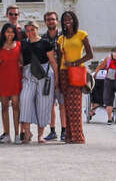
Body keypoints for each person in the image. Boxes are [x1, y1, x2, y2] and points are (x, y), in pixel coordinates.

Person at [19, 20, 58, 143]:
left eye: (32, 29)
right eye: (28, 30)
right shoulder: (23, 44)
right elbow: (20, 61)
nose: (30, 32)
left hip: (44, 75)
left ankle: (40, 135)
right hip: (28, 75)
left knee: (43, 104)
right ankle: (28, 132)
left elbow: (52, 62)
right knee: (24, 100)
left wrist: (57, 80)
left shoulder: (45, 43)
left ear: (37, 29)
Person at [57, 10, 93, 144]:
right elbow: (60, 58)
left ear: (74, 20)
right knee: (67, 105)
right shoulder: (61, 38)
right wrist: (59, 80)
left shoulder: (82, 34)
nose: (67, 21)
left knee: (76, 105)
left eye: (69, 19)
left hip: (76, 71)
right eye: (65, 19)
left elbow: (90, 55)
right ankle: (69, 136)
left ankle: (78, 136)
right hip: (63, 73)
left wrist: (75, 63)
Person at [0, 22, 22, 143]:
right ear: (4, 33)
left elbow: (22, 62)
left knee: (16, 106)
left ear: (15, 33)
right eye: (7, 31)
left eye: (12, 31)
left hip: (15, 77)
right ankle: (7, 134)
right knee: (4, 106)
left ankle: (17, 134)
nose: (9, 34)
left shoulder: (19, 45)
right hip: (2, 78)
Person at [42, 11, 66, 141]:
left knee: (62, 103)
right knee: (50, 103)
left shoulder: (64, 36)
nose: (50, 21)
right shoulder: (43, 38)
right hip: (48, 74)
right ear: (45, 22)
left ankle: (64, 130)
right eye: (48, 19)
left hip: (62, 72)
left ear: (56, 21)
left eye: (52, 19)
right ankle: (52, 131)